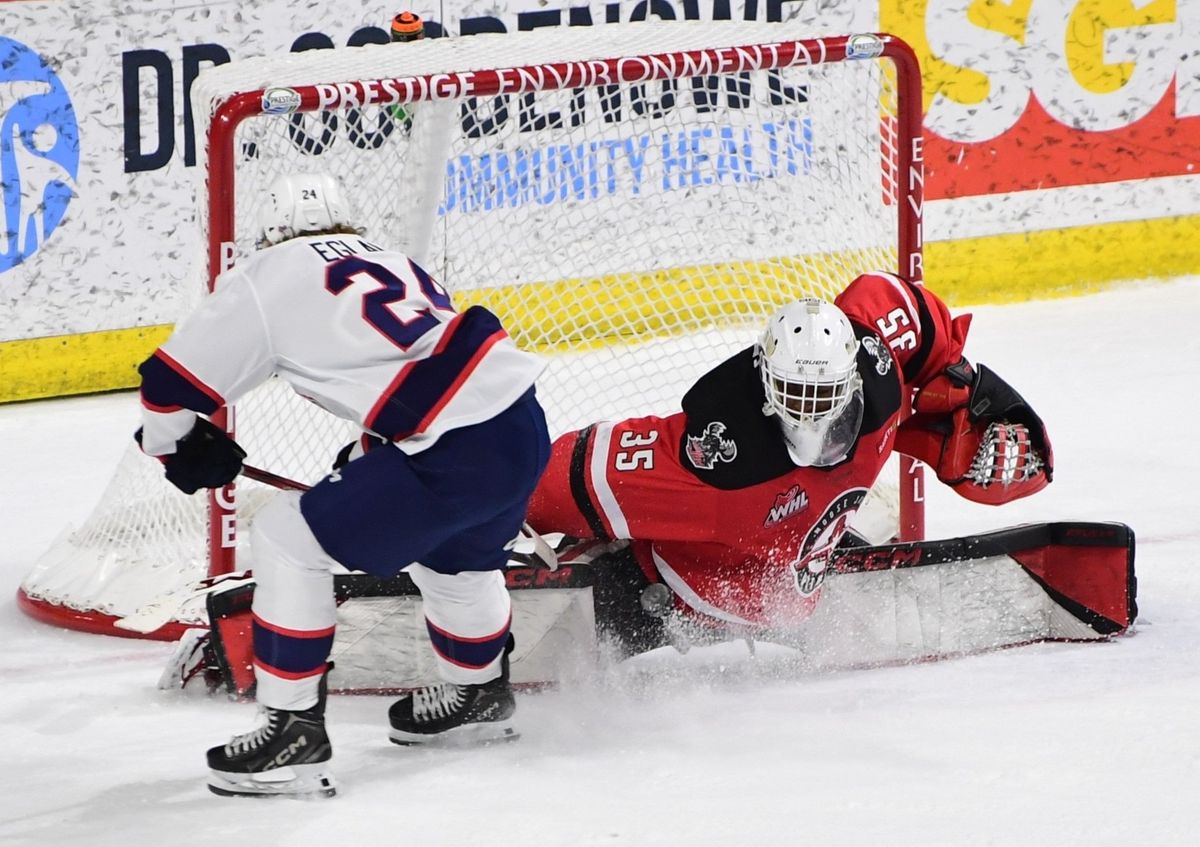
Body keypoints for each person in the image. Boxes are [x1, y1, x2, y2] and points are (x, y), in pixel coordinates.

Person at [135, 173, 550, 798]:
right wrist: (367, 458)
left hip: (447, 445)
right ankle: (479, 692)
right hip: (517, 425)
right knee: (453, 559)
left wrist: (175, 446)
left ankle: (291, 731)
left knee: (284, 537)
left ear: (271, 231)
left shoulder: (266, 272)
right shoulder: (391, 258)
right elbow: (410, 370)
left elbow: (169, 384)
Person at [525, 271, 1052, 653]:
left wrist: (952, 378)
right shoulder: (715, 463)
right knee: (568, 644)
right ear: (765, 383)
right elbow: (554, 480)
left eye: (824, 393)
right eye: (796, 393)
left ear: (851, 378)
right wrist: (483, 514)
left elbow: (901, 302)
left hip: (798, 581)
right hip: (667, 600)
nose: (812, 411)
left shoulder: (881, 372)